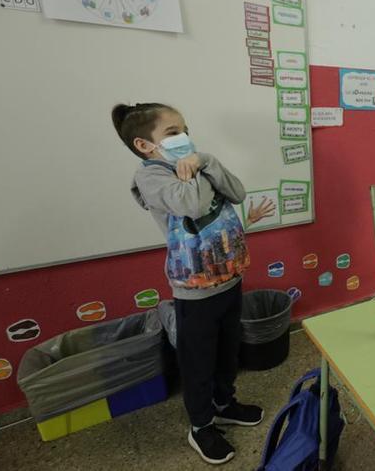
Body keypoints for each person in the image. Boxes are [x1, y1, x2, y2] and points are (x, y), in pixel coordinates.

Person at [112, 102, 274, 465]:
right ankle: (201, 426)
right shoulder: (151, 176)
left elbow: (237, 192)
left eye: (185, 129)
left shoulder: (198, 163)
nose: (184, 137)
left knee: (227, 351)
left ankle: (224, 403)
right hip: (195, 290)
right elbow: (194, 205)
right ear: (144, 145)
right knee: (198, 361)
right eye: (172, 133)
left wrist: (206, 160)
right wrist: (193, 170)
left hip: (229, 277)